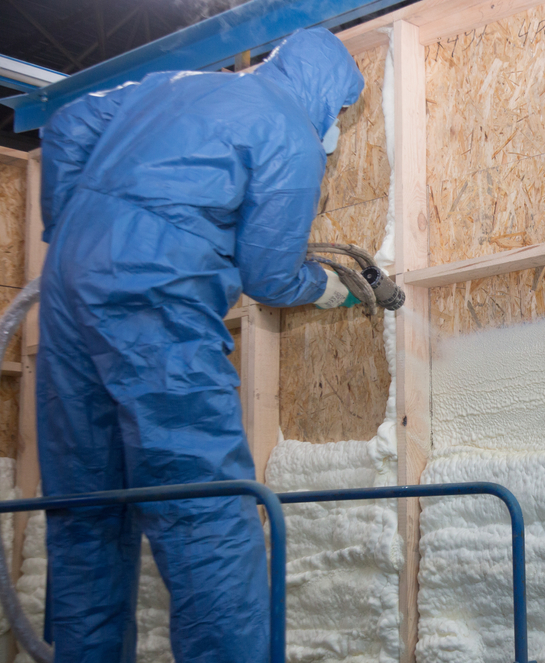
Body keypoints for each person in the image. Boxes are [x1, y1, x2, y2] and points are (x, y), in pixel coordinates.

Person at [35, 28, 363, 663]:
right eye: (343, 110)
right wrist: (325, 288)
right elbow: (268, 274)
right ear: (326, 90)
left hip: (67, 288)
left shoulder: (174, 86)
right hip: (156, 291)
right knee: (205, 510)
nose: (338, 124)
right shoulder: (292, 133)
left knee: (84, 507)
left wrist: (73, 222)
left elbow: (68, 122)